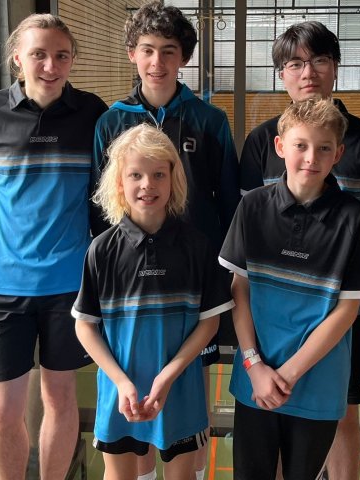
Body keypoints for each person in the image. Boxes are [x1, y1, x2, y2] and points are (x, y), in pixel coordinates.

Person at [239, 21, 360, 480]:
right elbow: (250, 231)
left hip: (340, 308)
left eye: (319, 61)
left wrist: (345, 300)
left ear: (335, 68)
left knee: (343, 412)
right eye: (295, 64)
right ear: (281, 75)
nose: (308, 73)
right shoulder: (260, 141)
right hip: (275, 313)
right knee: (275, 407)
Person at [0, 14, 107, 480]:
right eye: (38, 54)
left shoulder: (92, 112)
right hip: (3, 286)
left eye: (61, 55)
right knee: (4, 408)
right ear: (17, 58)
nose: (50, 65)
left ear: (72, 60)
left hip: (69, 284)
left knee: (60, 398)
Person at [91, 3, 240, 478]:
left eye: (169, 51)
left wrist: (222, 274)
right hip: (130, 288)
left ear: (184, 58)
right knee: (133, 390)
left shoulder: (209, 119)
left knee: (188, 393)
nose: (157, 61)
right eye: (148, 50)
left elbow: (229, 202)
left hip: (192, 281)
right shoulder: (110, 122)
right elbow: (100, 206)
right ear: (132, 54)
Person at [220, 98, 360, 480]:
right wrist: (254, 365)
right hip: (254, 380)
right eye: (301, 145)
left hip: (317, 387)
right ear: (280, 147)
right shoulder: (252, 206)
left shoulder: (352, 217)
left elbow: (347, 311)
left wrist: (288, 374)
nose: (311, 157)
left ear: (338, 154)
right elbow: (239, 290)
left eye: (324, 148)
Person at [73, 124, 234, 480]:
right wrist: (121, 381)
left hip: (180, 390)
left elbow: (209, 323)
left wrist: (168, 376)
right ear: (119, 183)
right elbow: (85, 327)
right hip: (120, 392)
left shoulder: (196, 247)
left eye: (159, 174)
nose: (148, 184)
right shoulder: (101, 250)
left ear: (174, 180)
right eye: (136, 175)